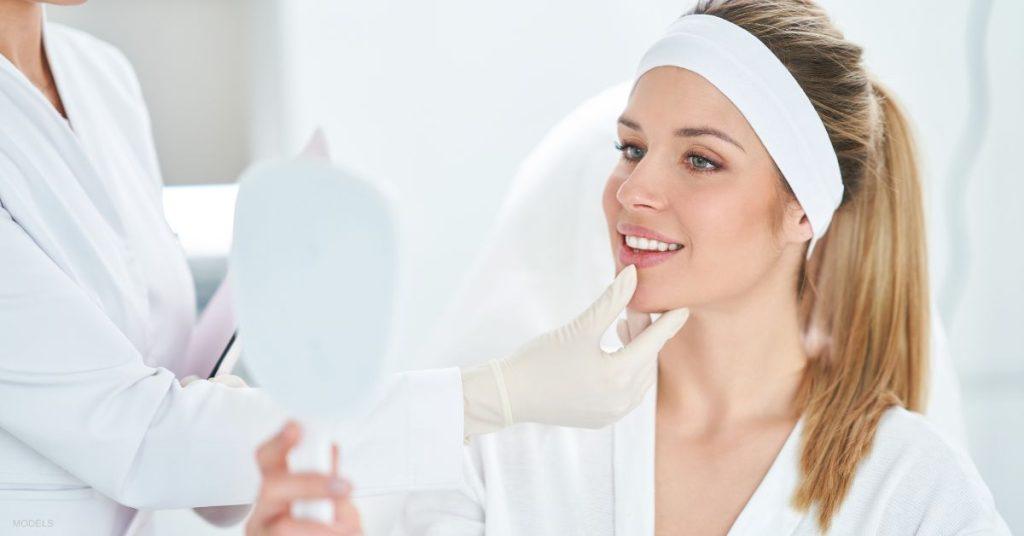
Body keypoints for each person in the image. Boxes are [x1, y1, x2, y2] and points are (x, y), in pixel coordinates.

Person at [0, 1, 687, 534]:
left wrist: (246, 390)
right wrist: (495, 395)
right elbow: (141, 437)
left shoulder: (101, 77)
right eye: (629, 150)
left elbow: (160, 374)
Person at [378, 1, 1008, 534]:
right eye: (632, 149)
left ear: (801, 211)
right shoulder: (515, 450)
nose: (631, 191)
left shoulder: (914, 493)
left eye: (701, 160)